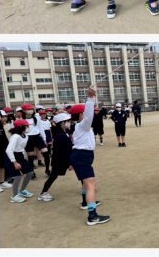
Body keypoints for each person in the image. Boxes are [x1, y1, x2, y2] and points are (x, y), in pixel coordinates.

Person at [69, 89, 111, 226]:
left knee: (86, 183)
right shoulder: (83, 125)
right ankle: (92, 216)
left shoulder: (79, 126)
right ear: (81, 115)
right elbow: (89, 116)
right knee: (92, 185)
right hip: (82, 156)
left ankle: (84, 202)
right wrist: (90, 98)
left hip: (80, 155)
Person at [38, 111, 74, 202]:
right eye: (67, 121)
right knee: (53, 176)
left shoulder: (65, 132)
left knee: (80, 169)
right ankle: (43, 193)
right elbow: (62, 152)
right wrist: (69, 163)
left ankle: (87, 185)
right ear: (61, 123)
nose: (69, 122)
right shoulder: (60, 136)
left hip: (65, 159)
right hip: (59, 160)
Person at [5, 119, 34, 203]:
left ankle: (22, 190)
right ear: (21, 127)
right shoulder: (15, 136)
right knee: (17, 176)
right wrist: (14, 162)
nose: (28, 127)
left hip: (20, 156)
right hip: (11, 157)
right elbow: (9, 150)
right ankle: (14, 197)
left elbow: (21, 148)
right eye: (27, 126)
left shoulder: (26, 136)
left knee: (30, 173)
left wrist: (22, 157)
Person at [21, 103, 51, 178]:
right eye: (28, 109)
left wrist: (44, 139)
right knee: (31, 157)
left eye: (31, 109)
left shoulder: (37, 118)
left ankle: (47, 170)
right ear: (24, 110)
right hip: (28, 138)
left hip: (38, 137)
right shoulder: (22, 120)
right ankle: (32, 173)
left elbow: (41, 129)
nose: (31, 110)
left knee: (46, 154)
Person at [0, 112, 13, 192]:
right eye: (2, 116)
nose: (4, 118)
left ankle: (2, 181)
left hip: (2, 148)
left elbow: (4, 137)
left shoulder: (1, 126)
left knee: (2, 165)